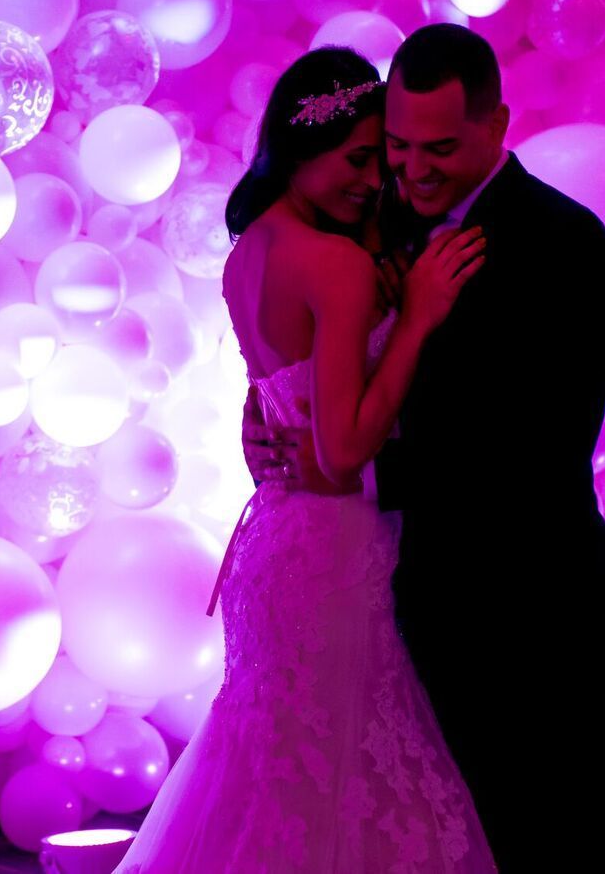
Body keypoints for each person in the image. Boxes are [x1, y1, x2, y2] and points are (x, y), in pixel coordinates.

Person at [247, 24, 605, 871]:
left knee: (551, 833)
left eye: (443, 148)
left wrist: (346, 466)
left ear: (497, 125)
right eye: (398, 146)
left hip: (527, 593)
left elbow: (531, 444)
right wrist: (277, 412)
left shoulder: (560, 242)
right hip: (410, 591)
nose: (415, 169)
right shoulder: (378, 223)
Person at [119, 47, 495, 873]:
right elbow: (341, 451)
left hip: (275, 546)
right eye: (361, 158)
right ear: (299, 145)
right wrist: (422, 316)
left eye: (381, 161)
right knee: (342, 776)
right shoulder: (337, 263)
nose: (377, 180)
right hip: (334, 545)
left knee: (275, 770)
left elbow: (274, 404)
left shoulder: (249, 250)